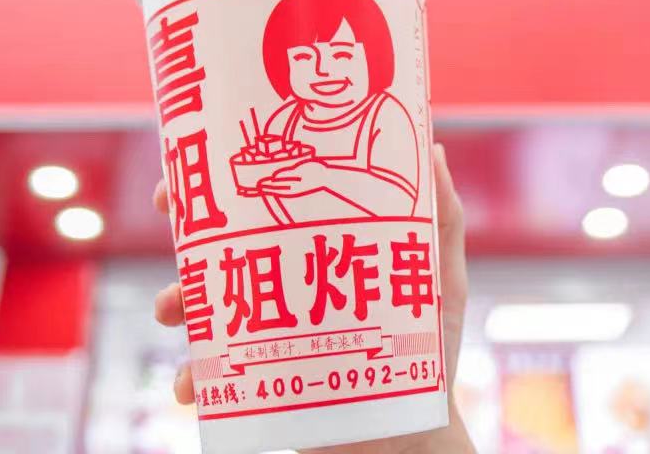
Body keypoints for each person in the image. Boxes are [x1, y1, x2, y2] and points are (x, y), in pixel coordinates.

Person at [153, 144, 476, 453]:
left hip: (397, 371)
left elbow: (401, 196)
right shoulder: (286, 124)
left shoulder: (383, 122)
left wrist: (419, 442)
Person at [249, 0, 421, 223]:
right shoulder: (282, 122)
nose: (323, 70)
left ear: (373, 58)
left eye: (342, 55)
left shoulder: (385, 115)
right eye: (304, 57)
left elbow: (401, 206)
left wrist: (325, 178)